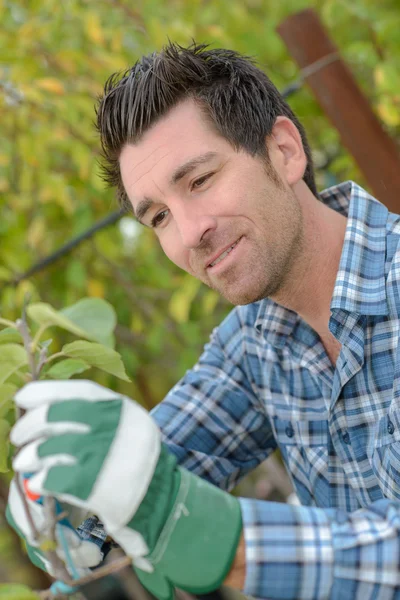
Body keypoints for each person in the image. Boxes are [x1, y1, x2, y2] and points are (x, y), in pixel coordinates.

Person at [7, 41, 400, 600]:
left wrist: (225, 541)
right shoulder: (256, 339)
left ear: (284, 151)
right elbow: (155, 465)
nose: (189, 233)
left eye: (200, 180)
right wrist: (69, 515)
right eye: (160, 216)